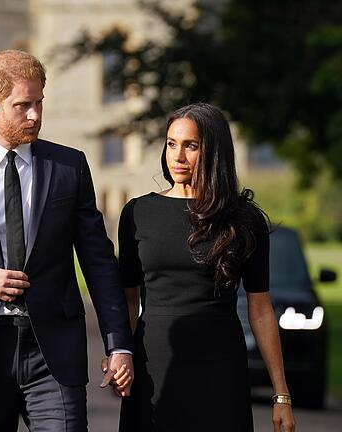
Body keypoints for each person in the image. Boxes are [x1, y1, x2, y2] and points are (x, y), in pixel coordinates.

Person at [0, 49, 134, 432]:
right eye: (23, 106)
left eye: (39, 103)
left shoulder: (69, 167)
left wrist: (118, 344)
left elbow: (98, 262)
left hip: (53, 354)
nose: (35, 115)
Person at [116, 103, 295, 431]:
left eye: (190, 146)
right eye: (171, 143)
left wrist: (280, 394)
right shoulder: (137, 213)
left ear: (214, 151)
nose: (178, 156)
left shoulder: (244, 220)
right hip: (153, 363)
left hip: (220, 367)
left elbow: (260, 310)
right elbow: (127, 299)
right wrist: (119, 353)